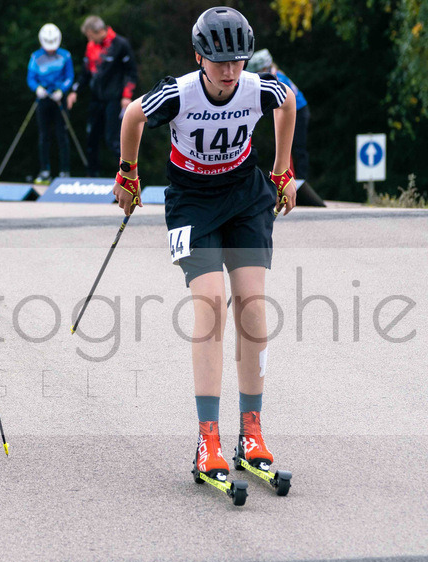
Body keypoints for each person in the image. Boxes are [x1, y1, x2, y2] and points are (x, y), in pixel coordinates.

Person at [112, 7, 297, 488]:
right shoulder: (178, 94)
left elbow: (288, 102)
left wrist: (282, 170)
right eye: (219, 63)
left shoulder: (259, 88)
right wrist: (128, 173)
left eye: (237, 61)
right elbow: (133, 115)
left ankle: (251, 434)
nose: (230, 71)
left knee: (253, 308)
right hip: (192, 203)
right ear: (199, 57)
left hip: (245, 197)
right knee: (211, 307)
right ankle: (207, 440)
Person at [67, 16, 137, 177]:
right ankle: (92, 175)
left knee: (113, 140)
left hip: (115, 99)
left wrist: (127, 96)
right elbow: (86, 73)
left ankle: (126, 177)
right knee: (91, 137)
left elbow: (131, 73)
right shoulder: (91, 46)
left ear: (99, 31)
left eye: (90, 35)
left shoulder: (120, 44)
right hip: (96, 98)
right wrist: (75, 91)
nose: (89, 39)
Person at [247, 49, 310, 179]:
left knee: (297, 147)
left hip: (299, 112)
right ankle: (292, 176)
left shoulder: (278, 79)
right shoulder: (275, 74)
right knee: (286, 146)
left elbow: (279, 103)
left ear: (264, 68)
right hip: (292, 111)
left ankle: (301, 180)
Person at [27, 23, 74, 183]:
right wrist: (37, 89)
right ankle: (45, 170)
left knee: (62, 135)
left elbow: (69, 76)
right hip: (43, 100)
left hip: (59, 99)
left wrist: (62, 90)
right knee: (44, 135)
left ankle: (65, 171)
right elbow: (31, 78)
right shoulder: (35, 57)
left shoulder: (65, 55)